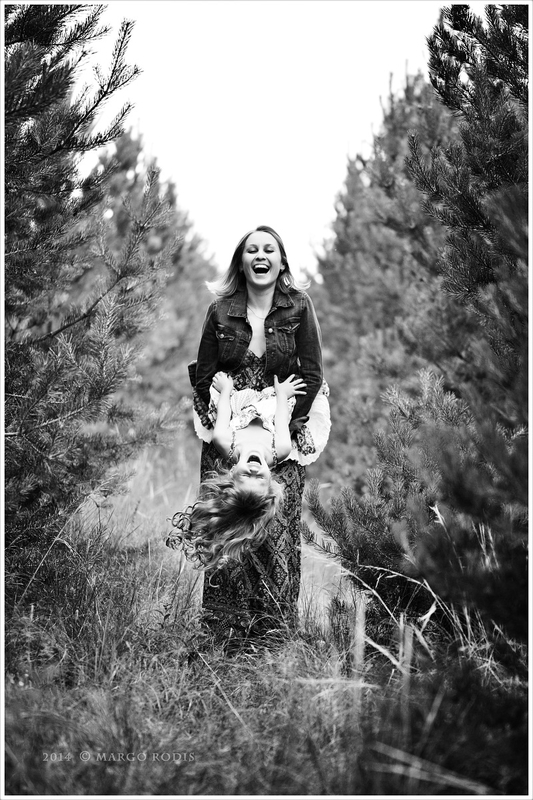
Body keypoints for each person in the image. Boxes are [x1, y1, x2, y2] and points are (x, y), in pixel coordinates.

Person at [167, 225, 330, 645]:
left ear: (281, 261)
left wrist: (283, 429)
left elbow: (312, 375)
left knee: (277, 534)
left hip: (282, 433)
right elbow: (204, 376)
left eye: (269, 249)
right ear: (242, 262)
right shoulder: (221, 310)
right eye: (252, 249)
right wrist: (228, 420)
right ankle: (222, 634)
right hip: (228, 436)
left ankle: (273, 635)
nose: (261, 255)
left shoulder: (299, 306)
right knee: (228, 532)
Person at [172, 371, 308, 572]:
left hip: (240, 399)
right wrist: (281, 394)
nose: (254, 469)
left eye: (246, 475)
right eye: (259, 477)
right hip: (272, 400)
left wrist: (226, 389)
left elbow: (224, 411)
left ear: (233, 473)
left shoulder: (224, 441)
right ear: (270, 479)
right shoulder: (281, 448)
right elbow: (281, 418)